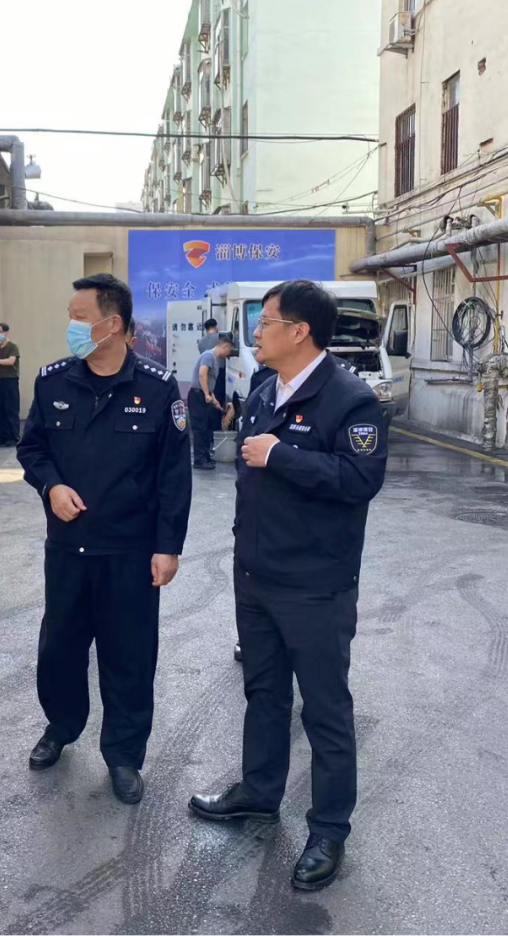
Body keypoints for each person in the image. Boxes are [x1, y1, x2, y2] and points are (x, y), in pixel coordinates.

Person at [188, 280, 388, 891]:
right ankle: (259, 792)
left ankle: (328, 829)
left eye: (266, 322)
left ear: (299, 331)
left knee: (325, 710)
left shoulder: (351, 400)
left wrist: (281, 456)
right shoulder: (263, 390)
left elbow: (360, 480)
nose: (255, 332)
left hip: (315, 585)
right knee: (264, 693)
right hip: (256, 577)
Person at [18, 273, 192, 805]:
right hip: (68, 549)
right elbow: (32, 449)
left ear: (112, 324)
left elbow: (173, 477)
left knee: (129, 657)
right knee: (60, 649)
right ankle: (61, 727)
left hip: (130, 553)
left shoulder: (159, 389)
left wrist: (168, 547)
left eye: (80, 317)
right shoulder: (52, 383)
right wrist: (51, 486)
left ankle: (123, 755)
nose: (70, 326)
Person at [188, 333, 234, 470]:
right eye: (229, 350)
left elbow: (209, 382)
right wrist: (206, 394)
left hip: (203, 394)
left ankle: (205, 456)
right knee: (200, 428)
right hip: (198, 396)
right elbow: (202, 374)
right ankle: (199, 460)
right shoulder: (209, 355)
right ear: (225, 347)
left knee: (207, 428)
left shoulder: (213, 358)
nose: (228, 354)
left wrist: (214, 400)